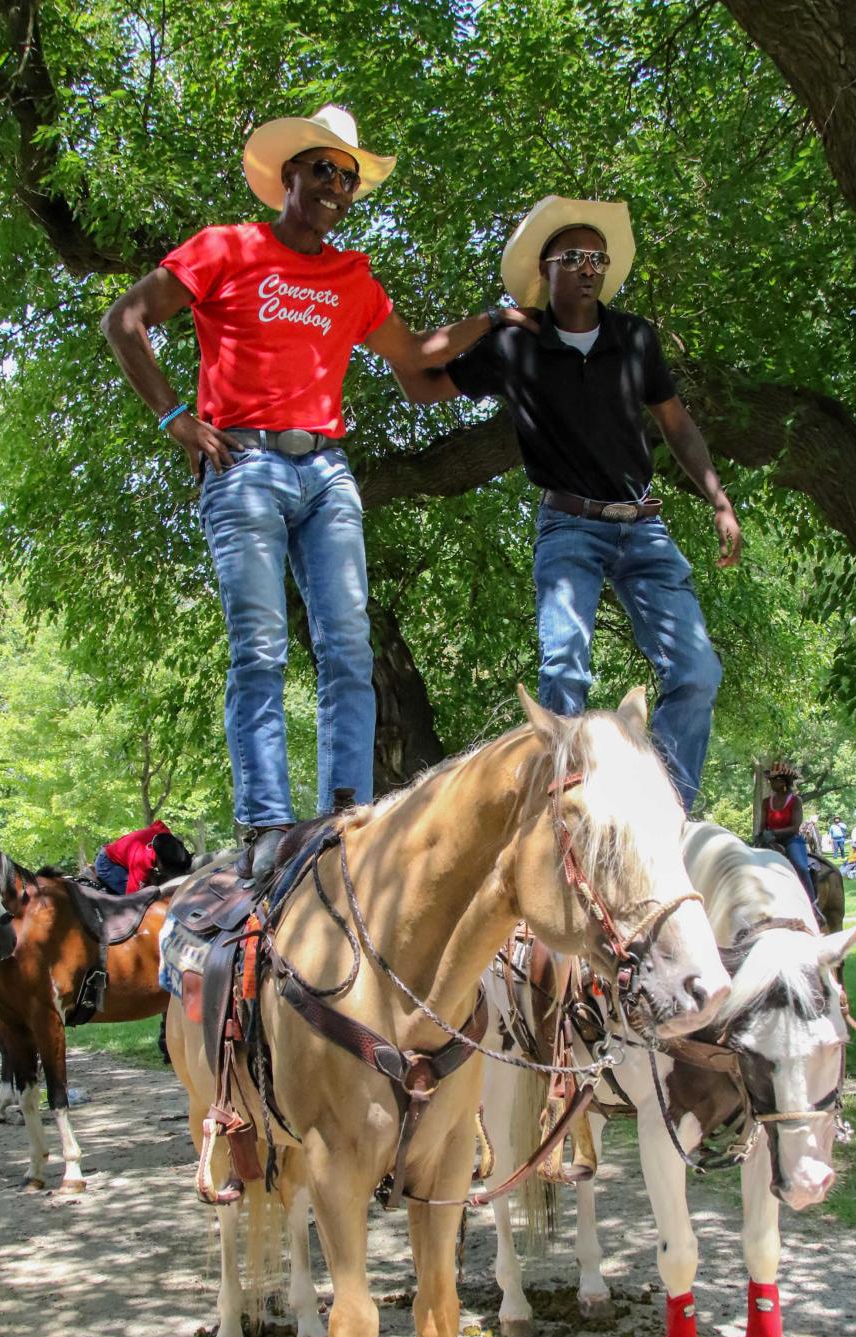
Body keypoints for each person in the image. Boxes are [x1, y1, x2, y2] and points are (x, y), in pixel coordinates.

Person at [101, 105, 534, 880]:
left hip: (327, 470)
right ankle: (267, 826)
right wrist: (177, 418)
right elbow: (125, 319)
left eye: (350, 176)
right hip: (245, 469)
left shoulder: (352, 277)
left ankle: (347, 820)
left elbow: (417, 354)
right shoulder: (226, 248)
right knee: (260, 649)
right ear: (288, 175)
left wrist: (491, 321)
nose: (339, 184)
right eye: (325, 169)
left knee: (348, 648)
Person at [394, 195, 741, 814]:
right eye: (575, 256)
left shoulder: (635, 339)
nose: (590, 267)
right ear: (546, 269)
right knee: (564, 677)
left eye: (599, 258)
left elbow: (676, 423)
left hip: (643, 526)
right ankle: (560, 822)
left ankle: (667, 814)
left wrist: (718, 497)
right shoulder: (516, 347)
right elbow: (417, 382)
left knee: (697, 670)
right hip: (569, 526)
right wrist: (488, 321)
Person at [756, 760, 819, 911]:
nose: (771, 783)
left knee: (801, 866)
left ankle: (812, 905)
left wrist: (774, 833)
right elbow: (763, 823)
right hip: (770, 841)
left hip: (791, 840)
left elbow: (795, 827)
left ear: (784, 781)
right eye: (770, 780)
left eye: (775, 780)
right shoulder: (766, 802)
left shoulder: (795, 801)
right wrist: (760, 835)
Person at [94, 822, 190, 895]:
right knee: (144, 898)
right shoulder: (142, 862)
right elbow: (133, 897)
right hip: (108, 864)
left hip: (128, 854)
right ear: (160, 862)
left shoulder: (166, 837)